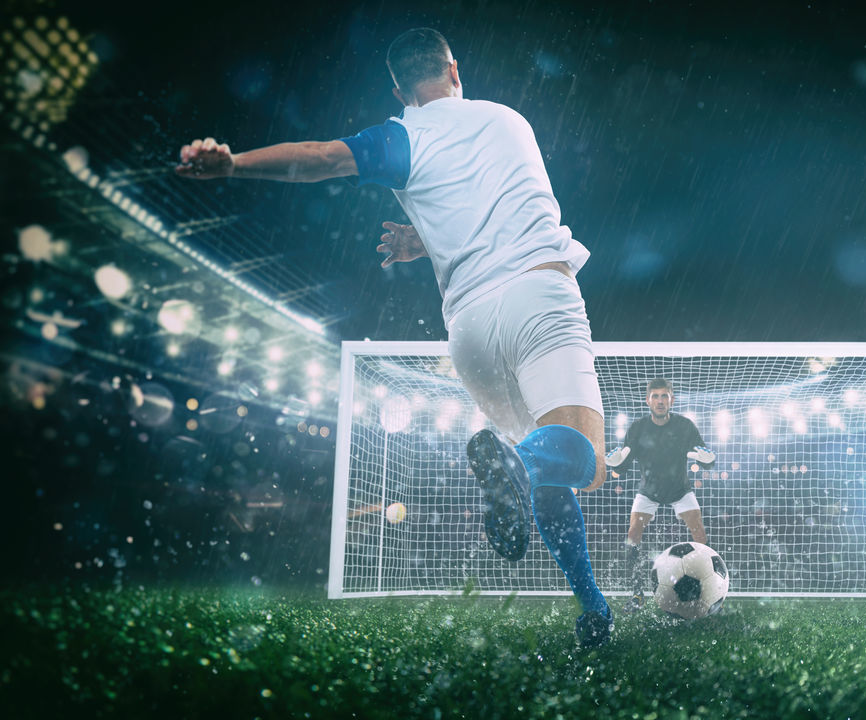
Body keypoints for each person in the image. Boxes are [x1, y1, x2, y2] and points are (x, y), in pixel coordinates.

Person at [174, 27, 613, 646]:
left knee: (541, 467)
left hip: (467, 331)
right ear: (454, 69)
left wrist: (233, 163)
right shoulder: (508, 119)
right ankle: (529, 482)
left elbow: (322, 157)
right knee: (581, 458)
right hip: (537, 294)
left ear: (398, 89)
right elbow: (495, 200)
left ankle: (593, 610)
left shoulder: (399, 138)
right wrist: (428, 239)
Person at [606, 377, 716, 611]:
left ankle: (708, 590)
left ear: (671, 400)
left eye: (664, 396)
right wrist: (615, 464)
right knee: (632, 534)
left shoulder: (685, 426)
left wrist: (710, 460)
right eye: (655, 396)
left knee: (699, 531)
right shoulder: (637, 428)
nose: (659, 401)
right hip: (648, 491)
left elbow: (704, 458)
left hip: (680, 489)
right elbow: (622, 467)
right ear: (648, 400)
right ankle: (637, 594)